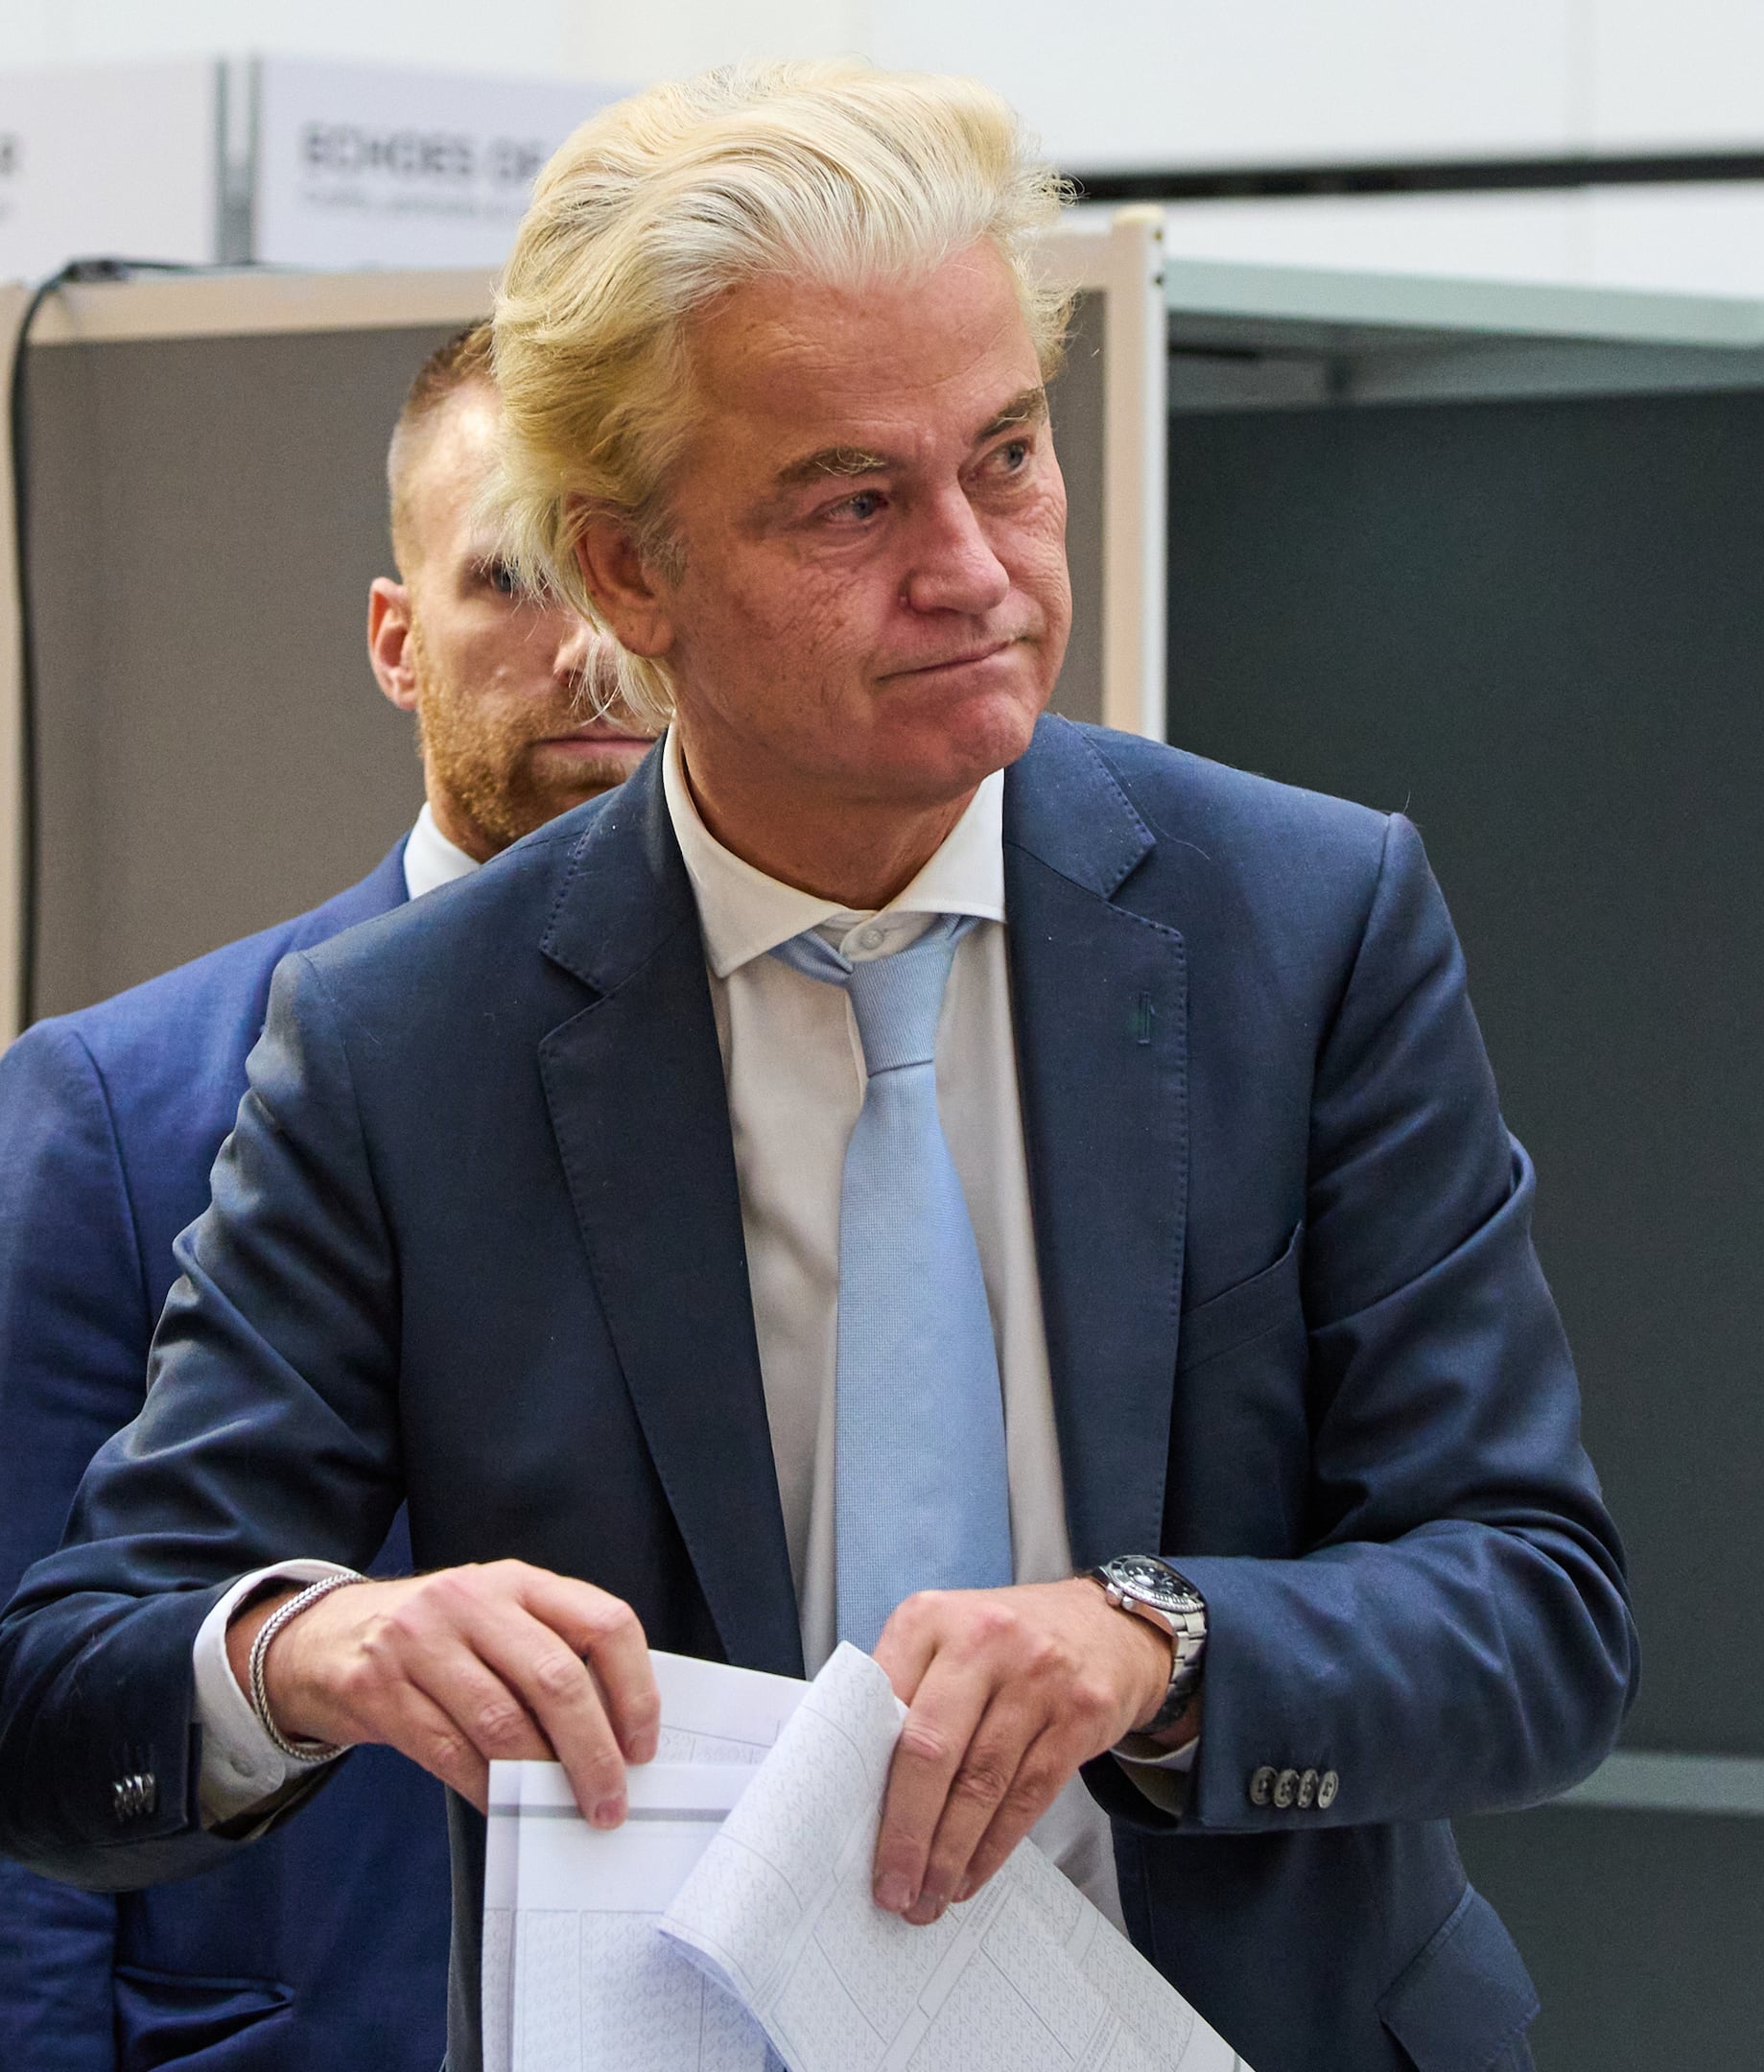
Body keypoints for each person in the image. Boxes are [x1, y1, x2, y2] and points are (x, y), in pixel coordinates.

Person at [0, 63, 1630, 2072]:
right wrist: (304, 1643)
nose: (975, 570)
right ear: (629, 576)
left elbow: (1535, 1611)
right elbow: (60, 1697)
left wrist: (1160, 1644)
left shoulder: (1304, 925)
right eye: (855, 502)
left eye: (1008, 457)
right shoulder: (406, 1044)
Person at [0, 321, 647, 2071]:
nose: (589, 648)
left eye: (625, 573)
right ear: (394, 637)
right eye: (509, 578)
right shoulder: (119, 1104)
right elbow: (27, 1706)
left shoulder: (816, 1066)